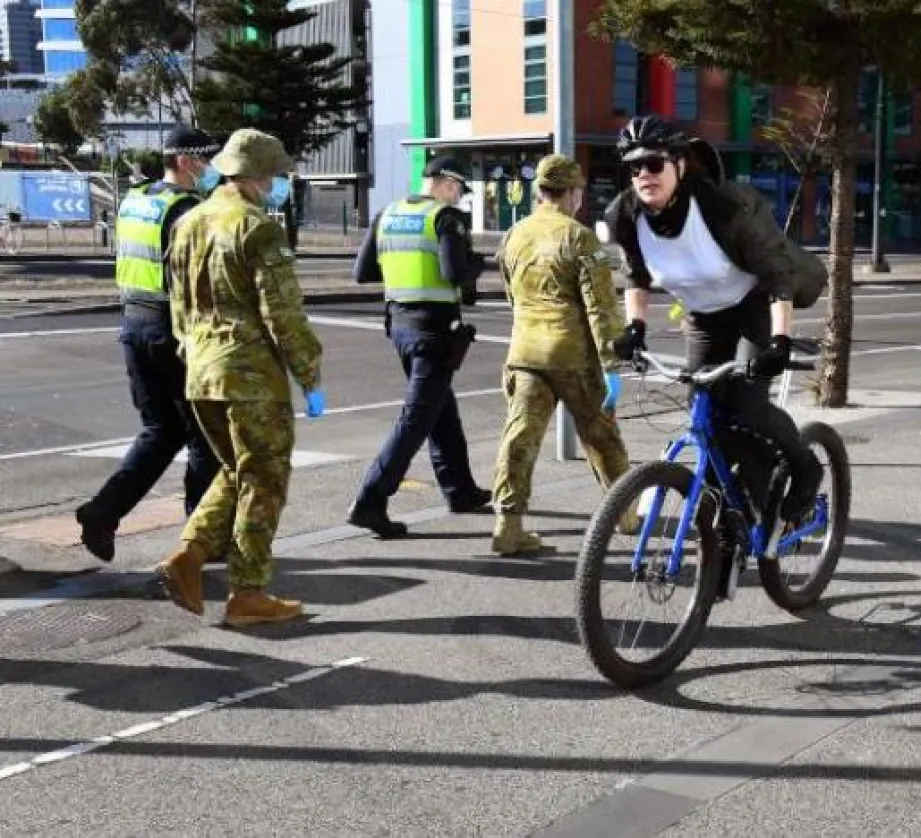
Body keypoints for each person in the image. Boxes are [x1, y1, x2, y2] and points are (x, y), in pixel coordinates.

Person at [604, 114, 823, 523]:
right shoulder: (626, 216)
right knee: (705, 413)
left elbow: (777, 275)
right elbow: (635, 274)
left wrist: (780, 342)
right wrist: (634, 327)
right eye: (634, 167)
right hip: (704, 317)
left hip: (753, 305)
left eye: (653, 164)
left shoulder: (727, 207)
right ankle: (745, 493)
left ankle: (805, 466)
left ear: (680, 164)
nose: (643, 174)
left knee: (748, 406)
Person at [155, 128, 324, 627]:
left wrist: (194, 355)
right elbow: (283, 315)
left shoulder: (188, 222)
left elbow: (178, 307)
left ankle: (189, 554)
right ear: (257, 176)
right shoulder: (258, 227)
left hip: (201, 371)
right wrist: (310, 375)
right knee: (265, 481)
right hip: (250, 376)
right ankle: (248, 593)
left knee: (236, 473)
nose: (279, 184)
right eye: (275, 175)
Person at [75, 126, 223, 563]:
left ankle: (102, 512)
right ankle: (203, 536)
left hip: (134, 324)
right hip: (172, 330)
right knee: (204, 435)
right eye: (205, 159)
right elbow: (198, 281)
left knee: (162, 429)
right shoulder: (185, 210)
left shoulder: (137, 199)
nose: (210, 168)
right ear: (184, 161)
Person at [490, 154, 635, 554]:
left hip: (525, 352)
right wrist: (612, 362)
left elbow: (511, 294)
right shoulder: (581, 237)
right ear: (572, 192)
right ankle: (625, 516)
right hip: (571, 356)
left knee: (519, 438)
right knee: (603, 437)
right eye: (579, 193)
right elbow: (601, 306)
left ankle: (508, 524)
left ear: (539, 191)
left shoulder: (514, 234)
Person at [347, 155, 492, 538]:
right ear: (445, 183)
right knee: (416, 417)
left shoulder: (388, 214)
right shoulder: (445, 218)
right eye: (458, 189)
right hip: (435, 329)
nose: (459, 196)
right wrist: (479, 264)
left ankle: (461, 490)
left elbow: (362, 273)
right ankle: (370, 501)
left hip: (400, 326)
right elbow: (454, 274)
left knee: (440, 409)